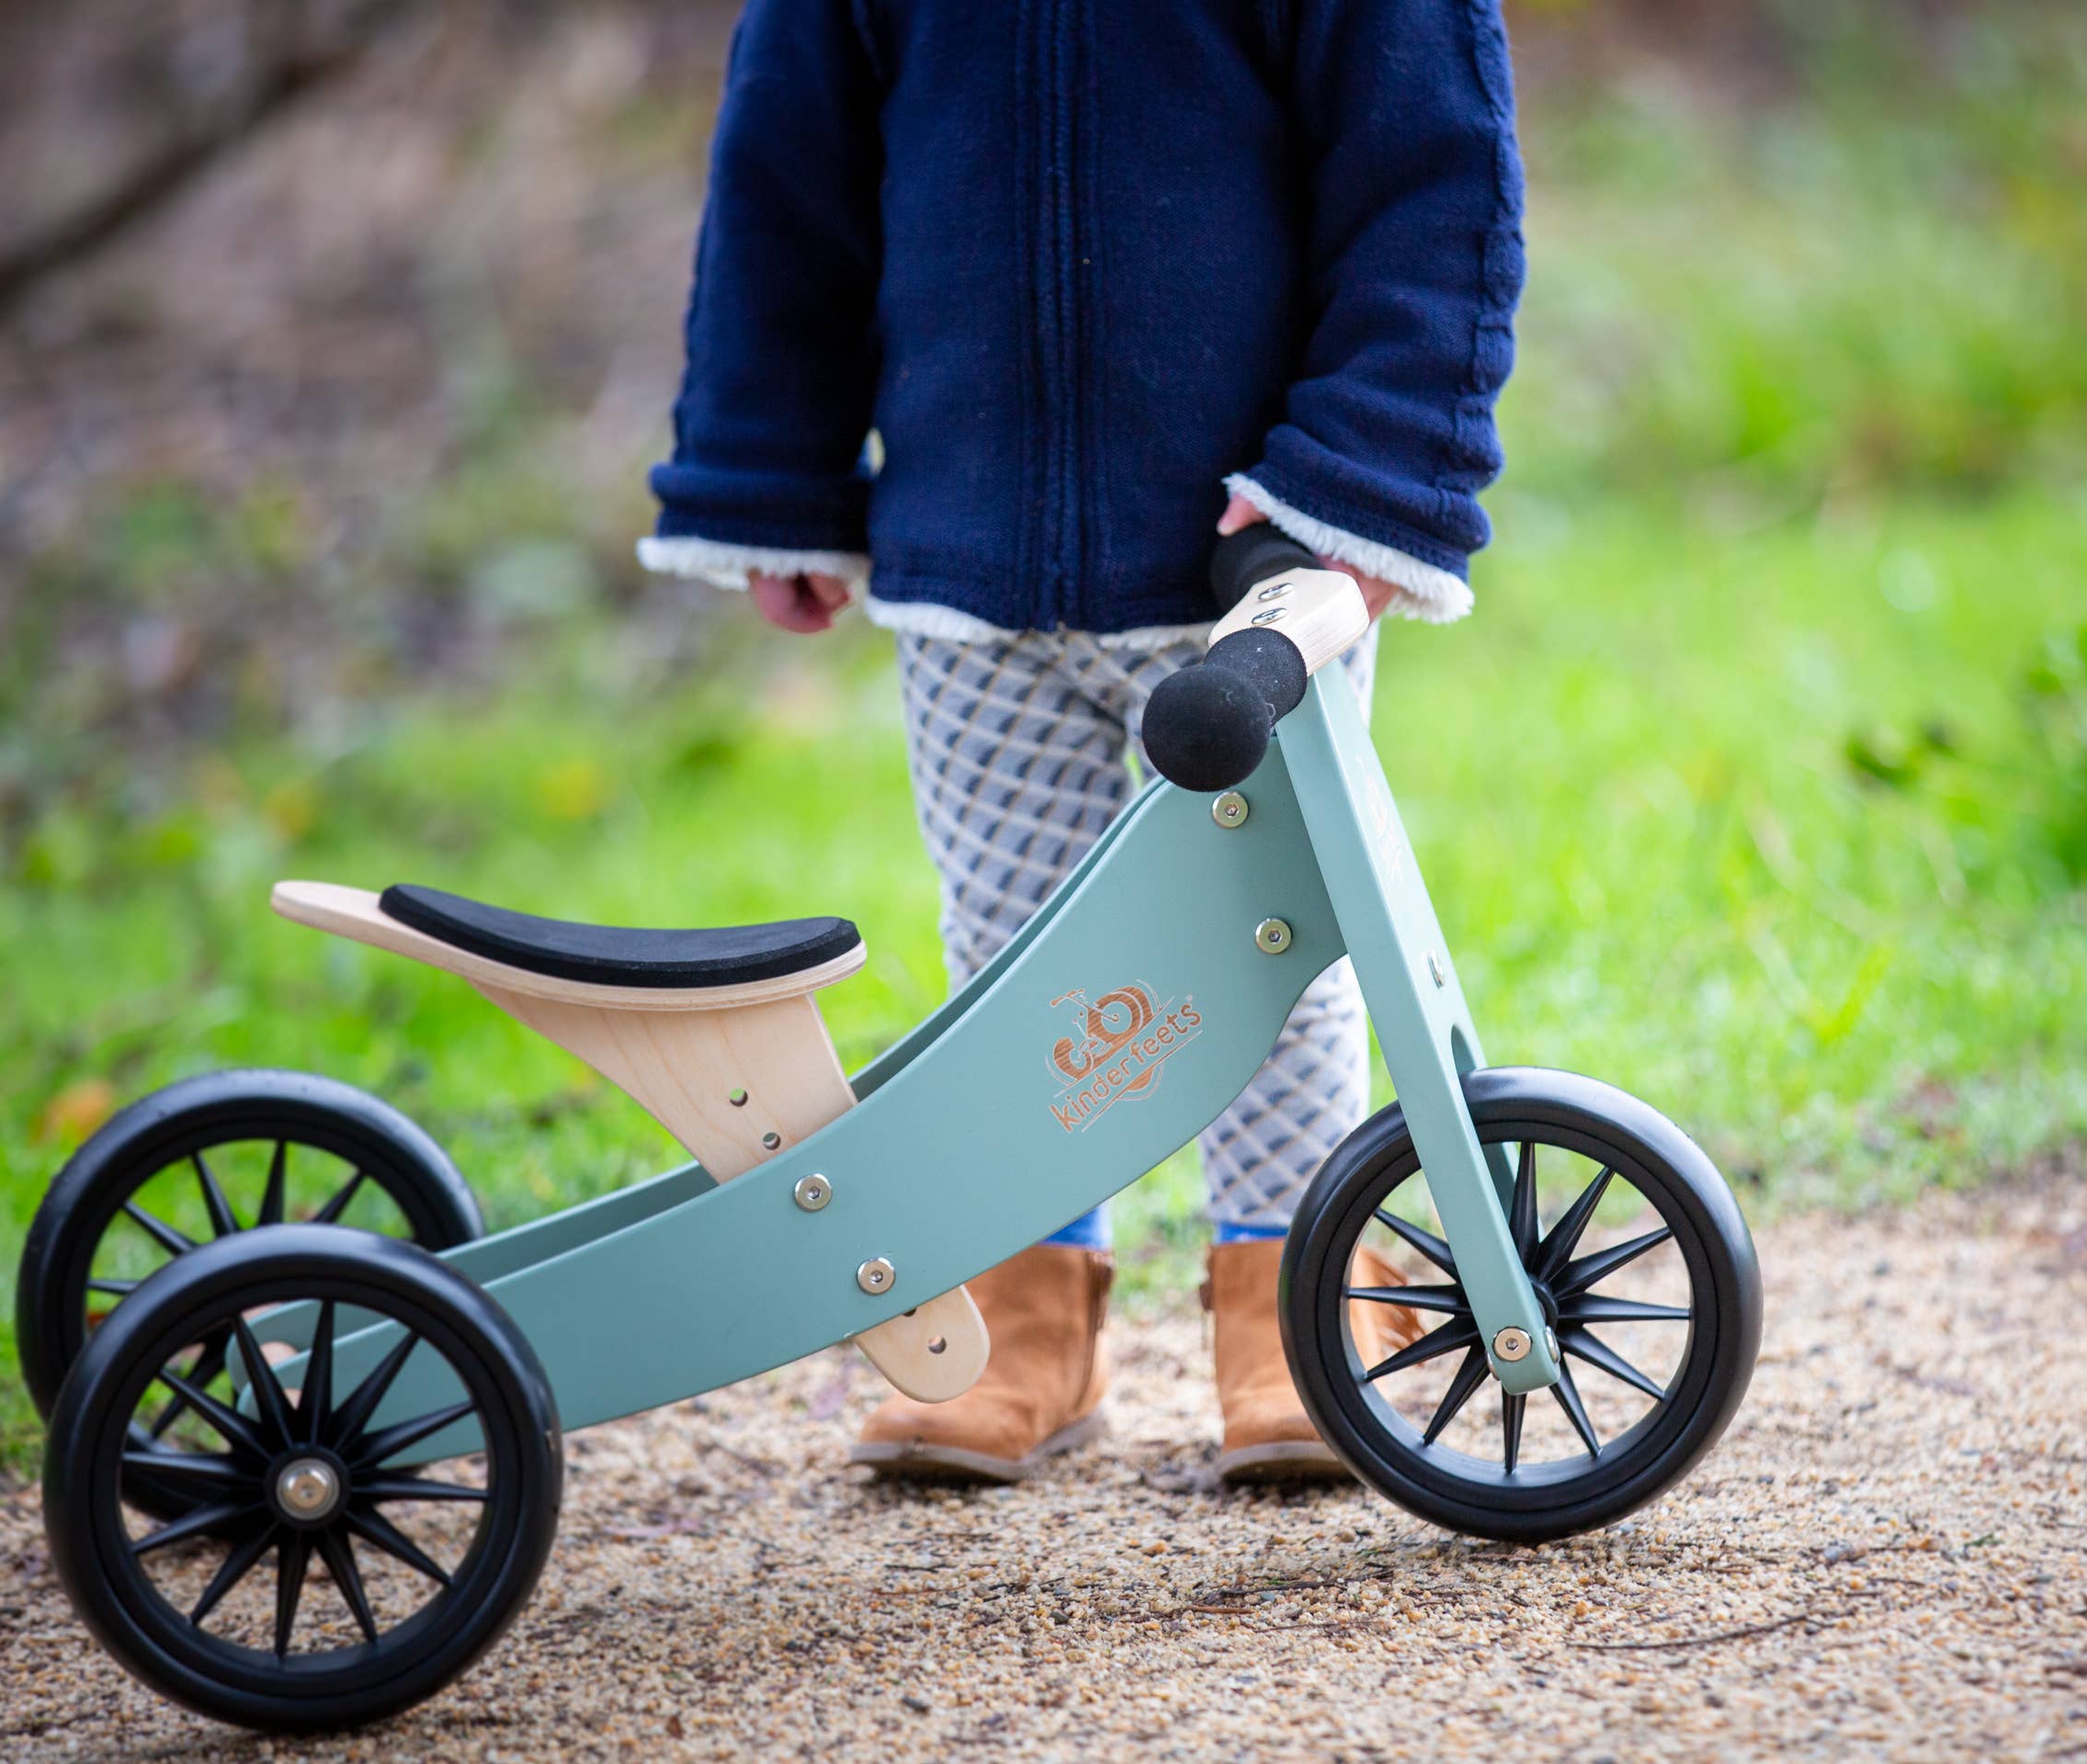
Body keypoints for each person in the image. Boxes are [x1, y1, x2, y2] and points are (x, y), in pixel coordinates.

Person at [638, 0, 1523, 1484]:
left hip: (1254, 570)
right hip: (970, 553)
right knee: (1009, 955)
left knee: (1268, 950)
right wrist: (772, 472)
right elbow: (786, 179)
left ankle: (1292, 1305)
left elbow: (1430, 183)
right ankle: (1026, 1306)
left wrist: (1363, 486)